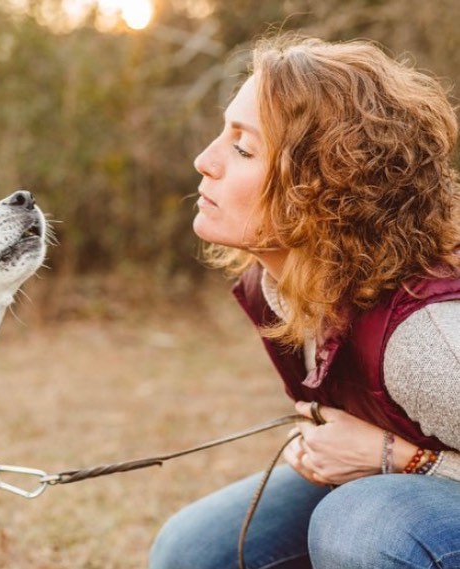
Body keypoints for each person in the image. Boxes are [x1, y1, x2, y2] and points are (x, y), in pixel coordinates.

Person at [149, 34, 460, 569]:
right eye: (223, 134)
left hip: (407, 494)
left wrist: (406, 460)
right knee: (192, 551)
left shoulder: (426, 342)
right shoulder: (280, 284)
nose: (204, 161)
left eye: (243, 149)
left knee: (362, 525)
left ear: (325, 187)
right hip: (406, 486)